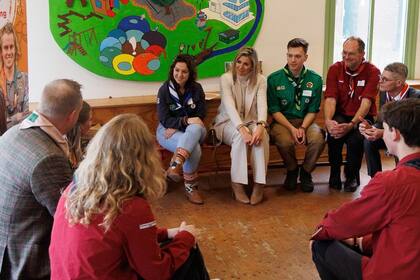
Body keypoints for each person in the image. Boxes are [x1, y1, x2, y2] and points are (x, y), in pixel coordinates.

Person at [49, 114, 210, 280]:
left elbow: (115, 237)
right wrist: (186, 238)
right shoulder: (131, 206)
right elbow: (157, 272)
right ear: (144, 158)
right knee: (188, 252)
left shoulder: (74, 188)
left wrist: (166, 233)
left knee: (177, 245)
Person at [311, 98, 420, 279]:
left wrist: (320, 230)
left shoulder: (392, 183)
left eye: (384, 128)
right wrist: (361, 242)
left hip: (398, 272)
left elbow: (342, 222)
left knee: (319, 245)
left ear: (394, 134)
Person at [0, 79, 82, 279]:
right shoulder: (49, 158)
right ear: (73, 116)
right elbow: (71, 217)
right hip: (28, 260)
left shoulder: (11, 133)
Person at [268, 38, 325, 192]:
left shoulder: (315, 79)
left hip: (305, 120)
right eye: (290, 55)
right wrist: (292, 129)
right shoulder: (274, 79)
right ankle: (292, 170)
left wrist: (303, 127)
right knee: (285, 141)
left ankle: (306, 172)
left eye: (298, 56)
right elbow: (274, 110)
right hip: (282, 122)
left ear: (305, 57)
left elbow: (313, 110)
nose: (293, 60)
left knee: (318, 139)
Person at [213, 46, 269, 205]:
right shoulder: (226, 78)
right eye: (239, 62)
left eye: (246, 64)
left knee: (261, 137)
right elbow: (229, 105)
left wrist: (261, 125)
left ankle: (259, 184)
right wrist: (241, 128)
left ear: (253, 66)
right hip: (226, 123)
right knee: (240, 137)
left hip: (252, 121)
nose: (241, 67)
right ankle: (237, 184)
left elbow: (262, 105)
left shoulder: (261, 80)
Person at [324, 36, 380, 192]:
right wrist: (328, 121)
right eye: (344, 52)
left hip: (363, 115)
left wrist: (352, 125)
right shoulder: (335, 69)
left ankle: (352, 176)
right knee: (334, 134)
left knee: (356, 140)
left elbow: (366, 103)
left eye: (351, 54)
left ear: (362, 54)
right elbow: (330, 98)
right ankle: (334, 173)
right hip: (341, 112)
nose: (346, 57)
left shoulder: (373, 72)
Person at [156, 54, 207, 204]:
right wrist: (184, 122)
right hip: (167, 130)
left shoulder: (197, 89)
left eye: (184, 72)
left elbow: (200, 116)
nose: (179, 75)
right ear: (172, 70)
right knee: (194, 147)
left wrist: (178, 123)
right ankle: (191, 187)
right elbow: (164, 119)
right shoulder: (164, 90)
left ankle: (174, 166)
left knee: (195, 129)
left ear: (190, 73)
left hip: (195, 130)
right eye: (177, 70)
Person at [360, 62, 420, 177]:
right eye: (380, 78)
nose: (380, 81)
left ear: (398, 83)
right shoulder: (384, 93)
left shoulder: (416, 97)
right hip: (392, 133)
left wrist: (383, 133)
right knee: (369, 140)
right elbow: (382, 121)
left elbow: (413, 131)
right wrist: (371, 128)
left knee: (402, 143)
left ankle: (402, 178)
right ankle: (375, 178)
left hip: (410, 139)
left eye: (385, 79)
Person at [0, 22, 29, 129]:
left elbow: (28, 116)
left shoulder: (26, 80)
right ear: (1, 51)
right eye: (5, 48)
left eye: (11, 47)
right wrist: (16, 118)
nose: (9, 52)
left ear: (16, 49)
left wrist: (7, 121)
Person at [67, 100, 92, 168]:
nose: (91, 124)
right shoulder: (66, 150)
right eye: (90, 119)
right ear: (79, 125)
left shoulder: (75, 143)